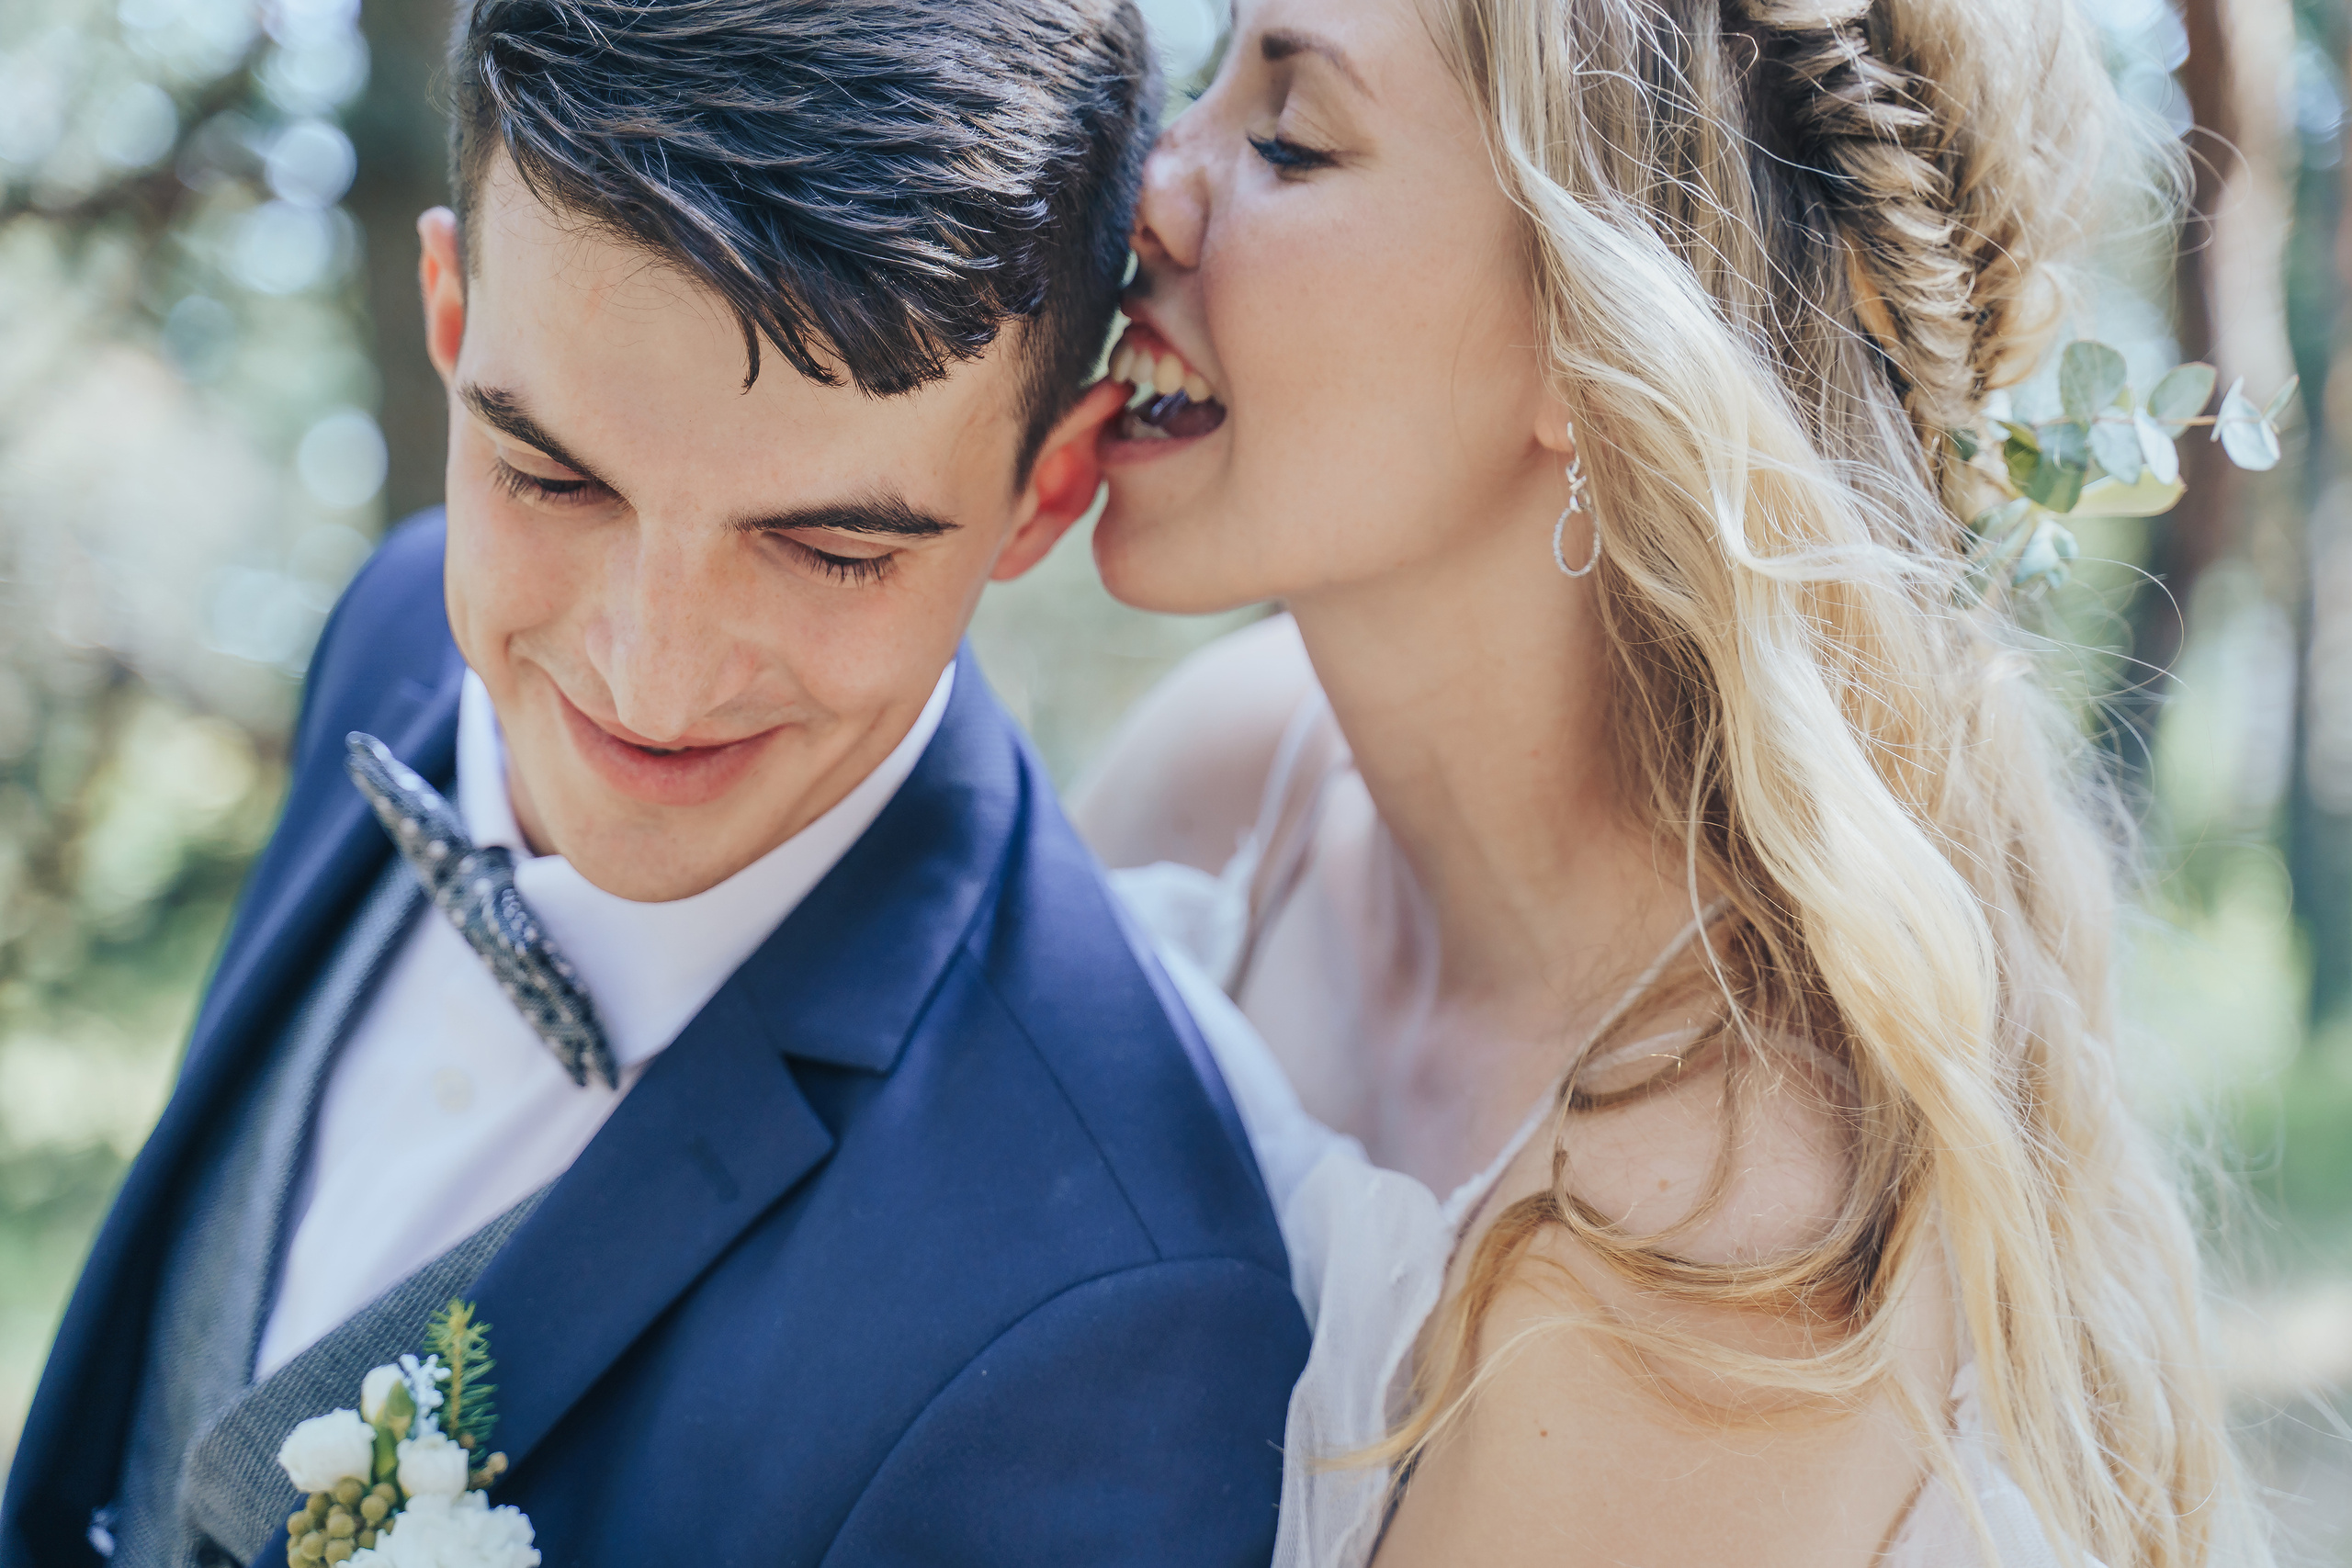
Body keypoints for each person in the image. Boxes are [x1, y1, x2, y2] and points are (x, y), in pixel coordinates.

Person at [1, 2, 1308, 1564]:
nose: (649, 676)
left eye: (830, 548)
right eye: (550, 477)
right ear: (448, 311)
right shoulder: (397, 635)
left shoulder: (1110, 1328)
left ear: (1045, 491)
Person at [1079, 0, 2267, 1564]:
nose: (1147, 185)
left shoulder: (1723, 1237)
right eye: (1200, 75)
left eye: (1291, 140)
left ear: (1596, 333)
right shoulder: (1228, 782)